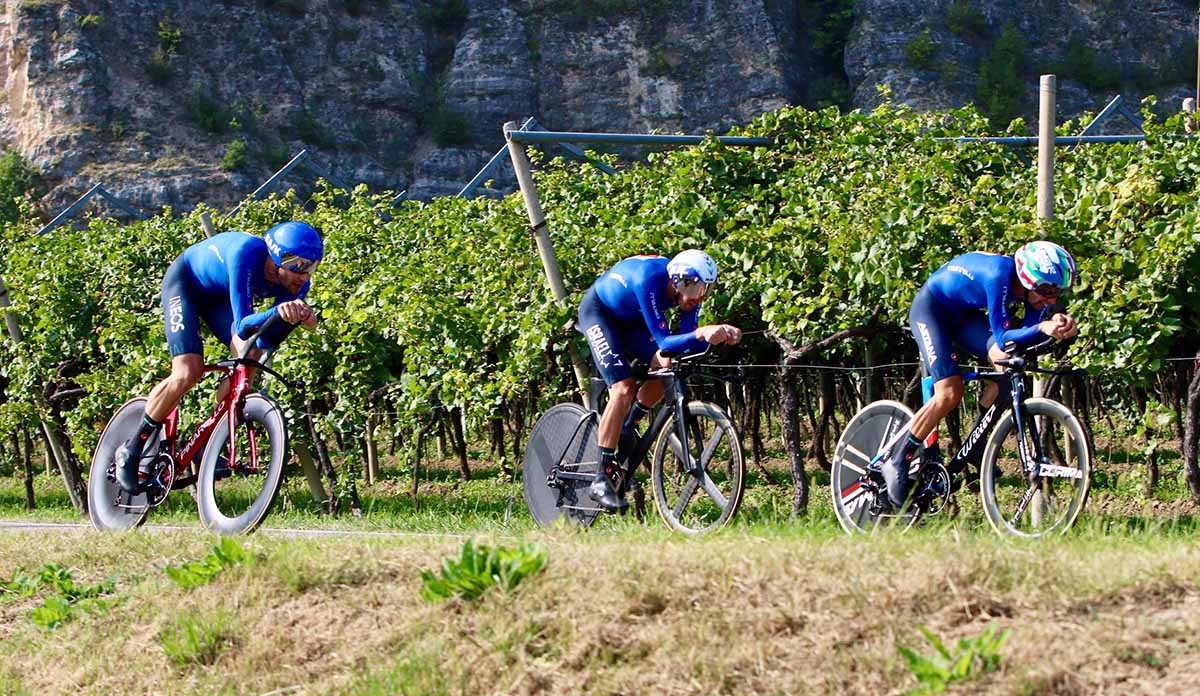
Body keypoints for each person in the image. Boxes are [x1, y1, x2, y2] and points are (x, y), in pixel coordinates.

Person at [114, 221, 323, 492]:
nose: (303, 274)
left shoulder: (297, 286)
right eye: (295, 263)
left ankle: (208, 441)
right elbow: (244, 324)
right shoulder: (246, 253)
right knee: (189, 371)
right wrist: (279, 312)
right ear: (274, 256)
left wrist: (293, 320)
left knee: (250, 358)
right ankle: (132, 448)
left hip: (217, 296)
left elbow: (265, 340)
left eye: (311, 265)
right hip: (185, 284)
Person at [882, 240, 1080, 509]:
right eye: (1046, 290)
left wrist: (1058, 327)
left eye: (1057, 292)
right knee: (950, 392)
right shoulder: (998, 275)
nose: (1051, 299)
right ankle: (898, 459)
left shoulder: (1035, 291)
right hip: (932, 310)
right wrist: (1043, 327)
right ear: (1026, 276)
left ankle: (977, 445)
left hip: (963, 316)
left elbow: (1023, 341)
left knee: (1007, 364)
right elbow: (1003, 335)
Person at [577, 250, 743, 512]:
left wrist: (721, 333)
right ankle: (601, 477)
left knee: (669, 363)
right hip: (600, 313)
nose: (699, 296)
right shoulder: (649, 280)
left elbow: (685, 343)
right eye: (696, 287)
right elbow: (668, 340)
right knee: (623, 388)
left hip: (633, 321)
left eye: (705, 289)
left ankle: (629, 425)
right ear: (679, 281)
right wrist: (702, 333)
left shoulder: (688, 295)